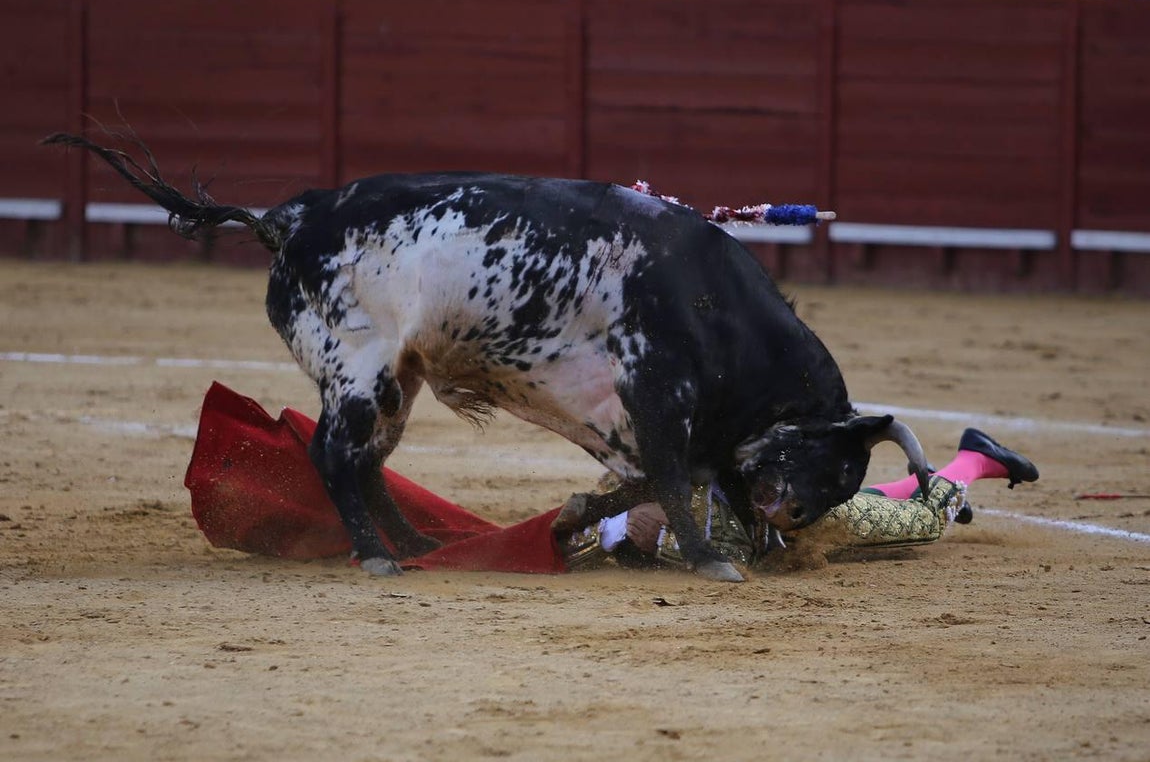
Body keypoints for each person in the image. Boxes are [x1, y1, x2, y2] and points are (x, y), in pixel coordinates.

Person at [185, 382, 1039, 576]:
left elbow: (871, 427)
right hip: (788, 521)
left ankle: (974, 460)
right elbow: (613, 513)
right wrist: (614, 534)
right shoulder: (702, 460)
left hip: (813, 521)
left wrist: (624, 536)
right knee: (870, 513)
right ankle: (976, 457)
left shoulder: (780, 453)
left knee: (913, 519)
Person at [562, 427, 1038, 571]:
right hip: (782, 499)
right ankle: (924, 480)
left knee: (925, 523)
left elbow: (740, 559)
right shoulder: (631, 488)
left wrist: (661, 540)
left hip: (805, 511)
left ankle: (975, 459)